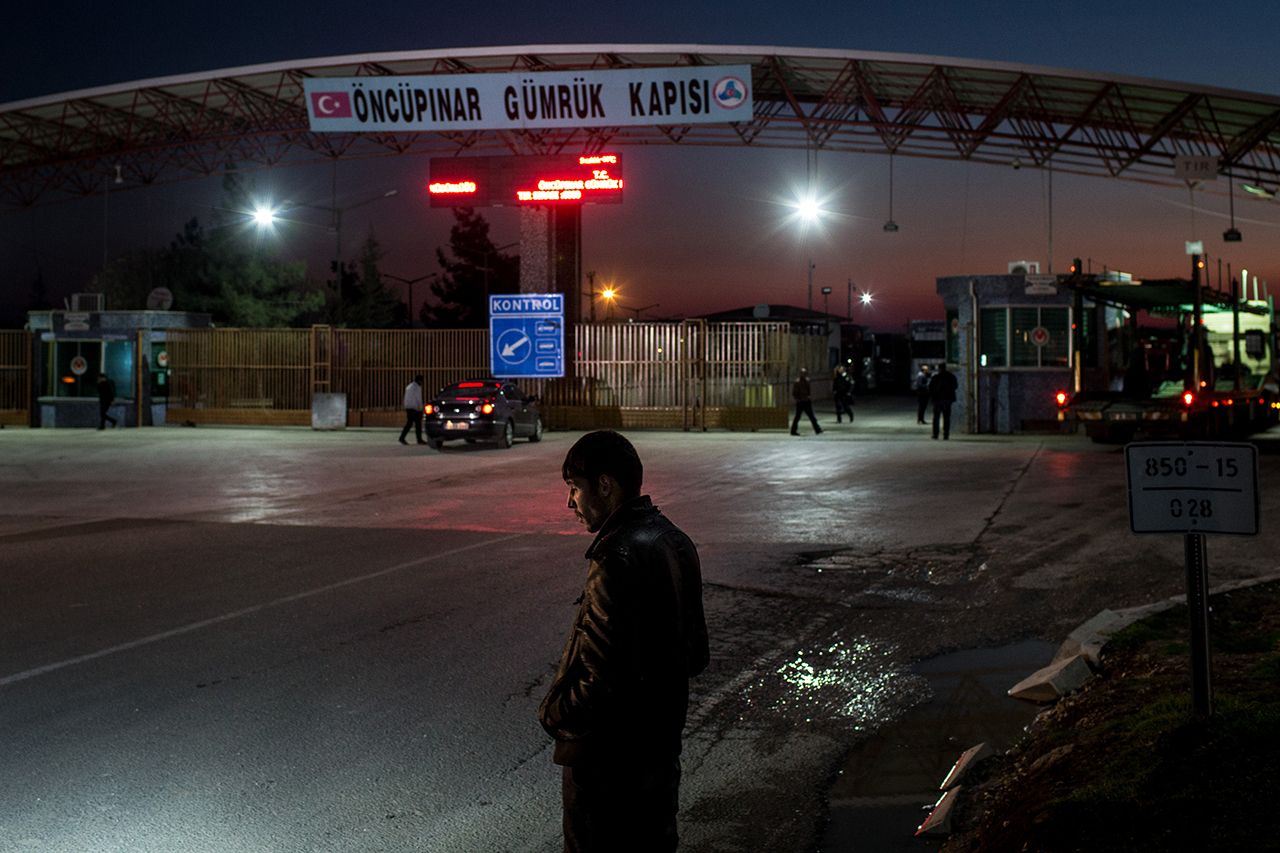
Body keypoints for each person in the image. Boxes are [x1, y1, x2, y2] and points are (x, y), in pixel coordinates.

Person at [540, 430, 709, 853]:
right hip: (659, 750)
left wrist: (556, 713)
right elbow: (695, 654)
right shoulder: (674, 539)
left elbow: (598, 675)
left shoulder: (615, 556)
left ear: (604, 485)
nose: (570, 503)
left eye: (574, 488)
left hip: (606, 763)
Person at [928, 362, 959, 440]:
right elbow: (955, 386)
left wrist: (933, 396)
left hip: (937, 400)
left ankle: (935, 434)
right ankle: (946, 434)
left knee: (936, 418)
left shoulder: (936, 377)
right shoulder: (951, 377)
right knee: (946, 418)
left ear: (939, 368)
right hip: (947, 399)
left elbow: (930, 387)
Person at [790, 368, 823, 436]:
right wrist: (798, 399)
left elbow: (808, 391)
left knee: (810, 416)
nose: (803, 375)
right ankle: (793, 430)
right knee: (799, 417)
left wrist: (808, 397)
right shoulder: (798, 382)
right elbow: (795, 392)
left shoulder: (806, 381)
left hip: (805, 401)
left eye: (804, 373)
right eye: (802, 373)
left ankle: (817, 429)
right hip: (801, 401)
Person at [398, 374, 426, 445]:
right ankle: (418, 439)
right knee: (417, 424)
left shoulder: (409, 386)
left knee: (410, 423)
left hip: (409, 407)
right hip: (415, 408)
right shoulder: (417, 387)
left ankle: (402, 437)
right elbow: (418, 398)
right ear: (419, 381)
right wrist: (420, 408)